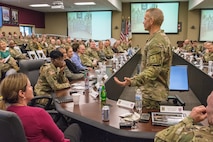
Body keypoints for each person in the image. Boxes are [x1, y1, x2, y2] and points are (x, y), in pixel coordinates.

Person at [114, 8, 172, 109]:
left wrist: (132, 81)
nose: (143, 22)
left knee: (146, 122)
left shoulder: (156, 42)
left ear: (151, 20)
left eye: (145, 18)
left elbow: (153, 70)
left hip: (152, 92)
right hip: (152, 89)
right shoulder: (158, 38)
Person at [0, 73, 82, 142]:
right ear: (21, 93)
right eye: (29, 86)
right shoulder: (37, 114)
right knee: (77, 126)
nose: (32, 88)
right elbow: (61, 139)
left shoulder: (5, 114)